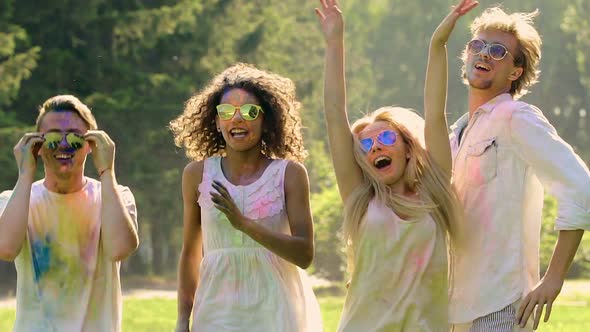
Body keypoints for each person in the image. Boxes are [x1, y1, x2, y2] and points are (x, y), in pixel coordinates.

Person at [315, 0, 476, 330]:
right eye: (366, 145)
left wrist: (438, 44)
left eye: (386, 139)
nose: (375, 147)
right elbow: (334, 113)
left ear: (407, 148)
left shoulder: (434, 193)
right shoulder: (360, 199)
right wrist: (334, 42)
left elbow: (434, 114)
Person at [448, 6, 590, 331]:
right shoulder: (455, 134)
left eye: (498, 51)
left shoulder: (517, 117)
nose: (484, 54)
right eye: (477, 45)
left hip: (503, 306)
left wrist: (553, 278)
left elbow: (581, 189)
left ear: (515, 71)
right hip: (454, 310)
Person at [170, 63, 322, 332]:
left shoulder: (290, 174)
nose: (237, 119)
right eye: (226, 112)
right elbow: (190, 253)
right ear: (216, 122)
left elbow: (305, 254)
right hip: (216, 310)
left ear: (266, 121)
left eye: (249, 112)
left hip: (276, 309)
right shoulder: (197, 174)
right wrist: (183, 320)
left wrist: (245, 224)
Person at [0, 95, 139, 331]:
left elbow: (120, 249)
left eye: (75, 137)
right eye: (53, 137)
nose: (63, 144)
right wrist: (25, 174)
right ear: (38, 145)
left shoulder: (115, 195)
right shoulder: (15, 200)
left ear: (90, 144)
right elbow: (5, 248)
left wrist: (107, 170)